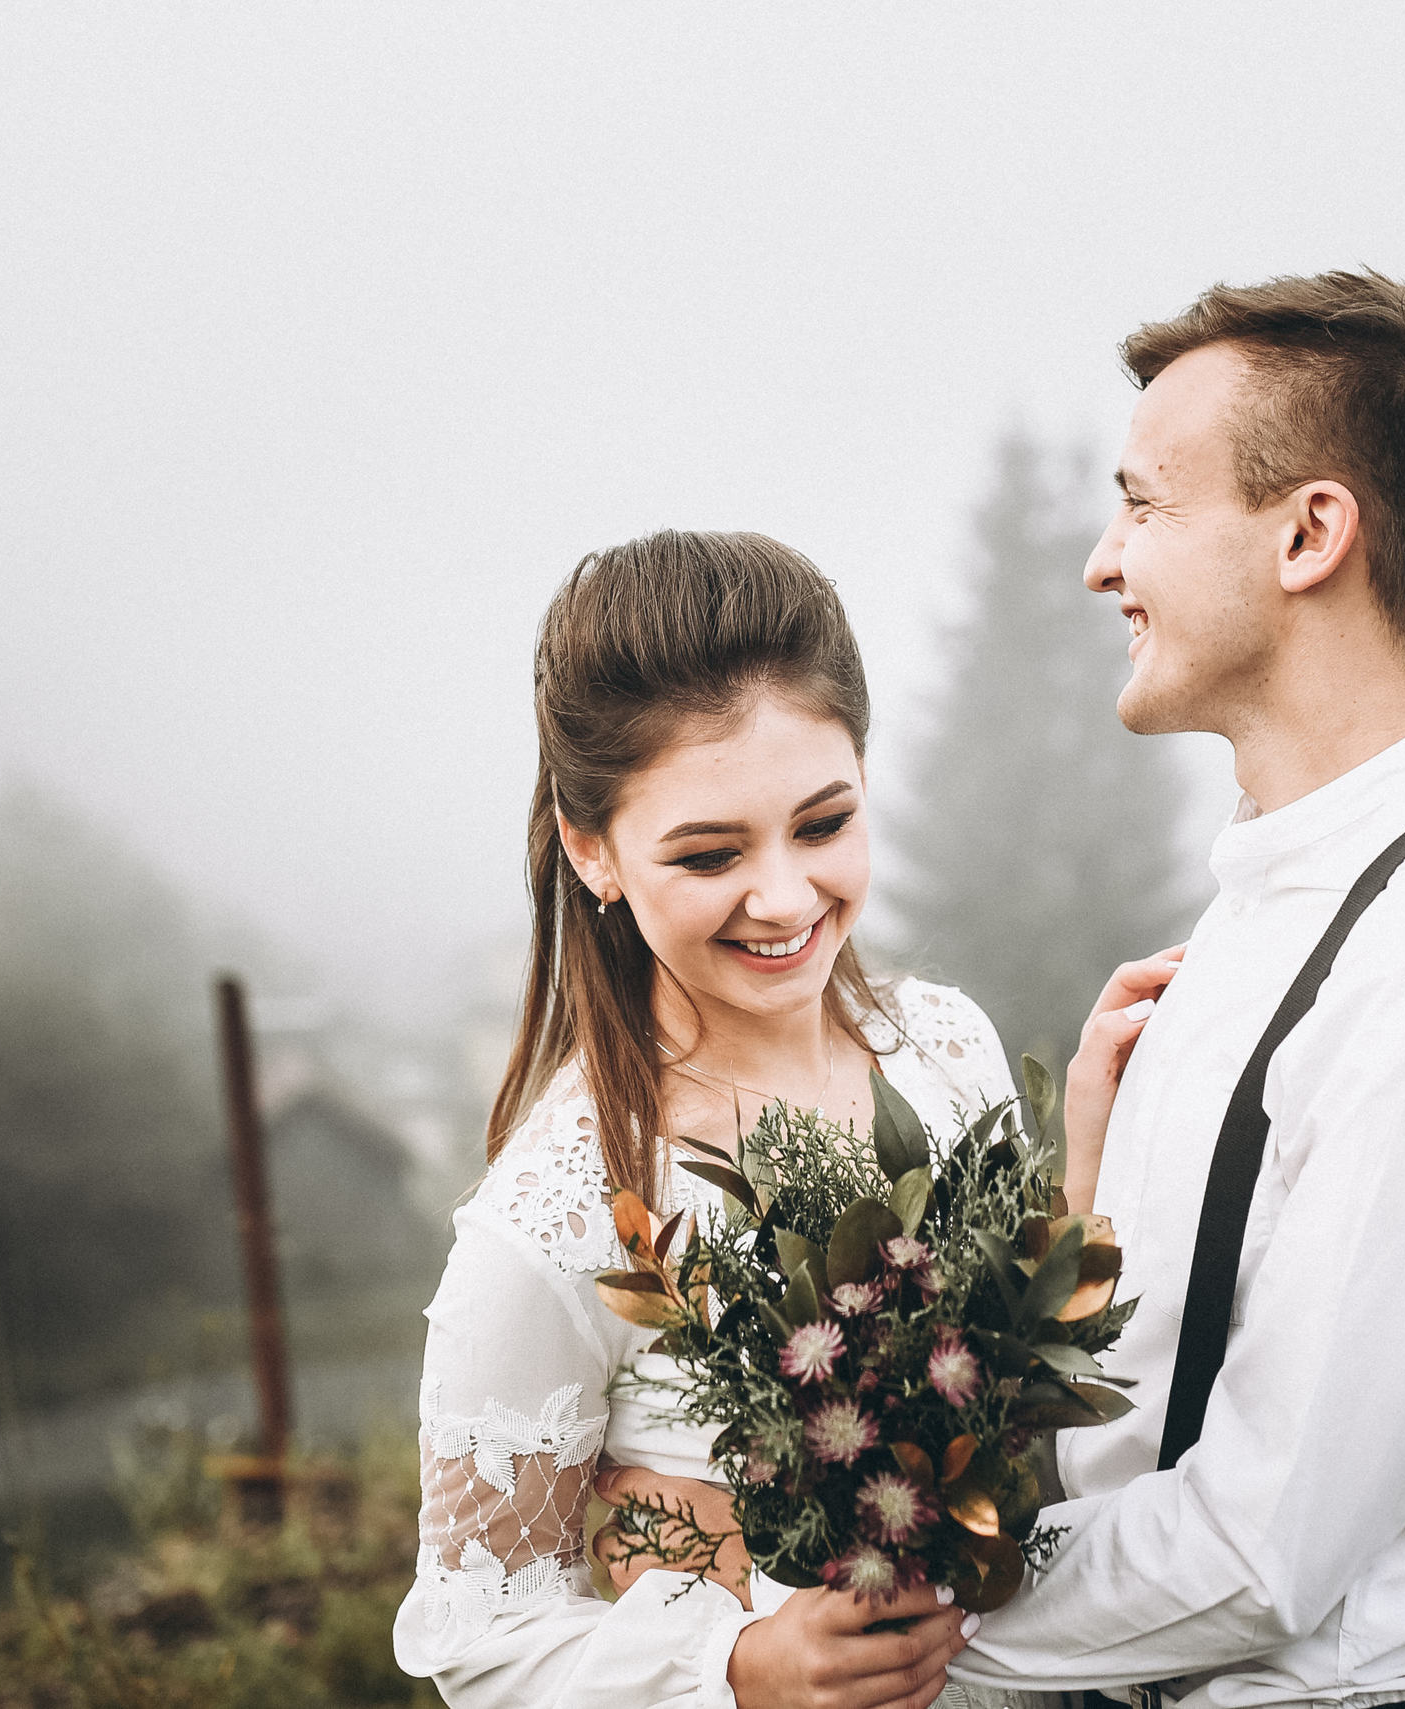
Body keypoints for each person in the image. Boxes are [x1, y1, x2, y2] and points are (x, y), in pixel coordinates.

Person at [941, 271, 1405, 1706]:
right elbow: (1139, 1405)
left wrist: (906, 1629)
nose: (1099, 560)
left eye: (1145, 505)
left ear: (1311, 532)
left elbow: (1264, 1547)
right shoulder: (1248, 923)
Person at [391, 530, 1175, 1709]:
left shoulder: (948, 1049)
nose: (783, 897)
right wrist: (738, 1665)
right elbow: (477, 1635)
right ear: (591, 847)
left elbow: (1018, 1418)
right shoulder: (556, 1211)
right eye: (709, 852)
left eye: (822, 824)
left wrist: (1083, 1165)